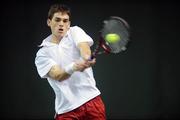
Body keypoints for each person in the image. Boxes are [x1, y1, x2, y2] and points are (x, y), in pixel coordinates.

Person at [35, 3, 106, 120]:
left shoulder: (75, 31)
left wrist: (86, 58)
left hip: (92, 100)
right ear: (49, 22)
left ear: (69, 24)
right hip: (66, 110)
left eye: (65, 21)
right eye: (57, 20)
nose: (61, 24)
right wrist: (74, 66)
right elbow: (58, 75)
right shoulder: (42, 54)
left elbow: (84, 48)